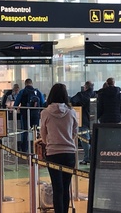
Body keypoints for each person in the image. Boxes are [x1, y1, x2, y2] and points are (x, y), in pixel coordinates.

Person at [40, 83, 78, 213]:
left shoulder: (45, 113)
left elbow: (43, 134)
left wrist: (49, 142)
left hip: (53, 153)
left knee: (57, 188)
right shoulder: (72, 112)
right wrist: (67, 140)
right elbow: (74, 132)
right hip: (69, 153)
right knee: (66, 187)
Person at [14, 78, 45, 152]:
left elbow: (16, 104)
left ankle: (24, 149)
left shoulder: (22, 92)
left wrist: (15, 110)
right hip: (35, 115)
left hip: (25, 114)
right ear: (32, 84)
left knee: (24, 131)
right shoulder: (37, 92)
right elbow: (43, 103)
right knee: (36, 131)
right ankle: (37, 148)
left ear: (25, 84)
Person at [70, 81, 96, 165]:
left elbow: (72, 100)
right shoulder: (96, 95)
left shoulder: (81, 95)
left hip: (83, 119)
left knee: (84, 140)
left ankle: (87, 158)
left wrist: (78, 105)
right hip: (94, 120)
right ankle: (93, 158)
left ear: (85, 87)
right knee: (93, 140)